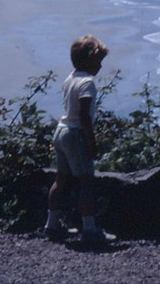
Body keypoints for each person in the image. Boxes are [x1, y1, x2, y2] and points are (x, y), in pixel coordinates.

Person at [44, 34, 114, 245]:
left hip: (61, 130)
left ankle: (52, 224)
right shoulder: (87, 83)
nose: (100, 66)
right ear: (90, 59)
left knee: (61, 178)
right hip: (75, 134)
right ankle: (90, 229)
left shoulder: (70, 78)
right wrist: (91, 141)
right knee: (86, 181)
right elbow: (84, 116)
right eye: (98, 61)